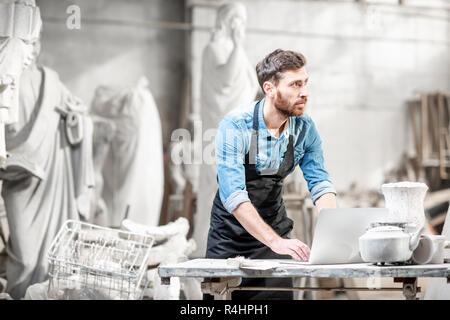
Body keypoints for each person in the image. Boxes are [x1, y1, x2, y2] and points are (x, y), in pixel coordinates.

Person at [205, 49, 337, 300]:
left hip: (275, 234)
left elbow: (319, 183)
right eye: (295, 85)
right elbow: (233, 195)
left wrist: (334, 228)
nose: (305, 92)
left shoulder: (304, 128)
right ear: (270, 88)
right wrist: (275, 242)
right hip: (229, 240)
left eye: (305, 83)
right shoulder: (234, 126)